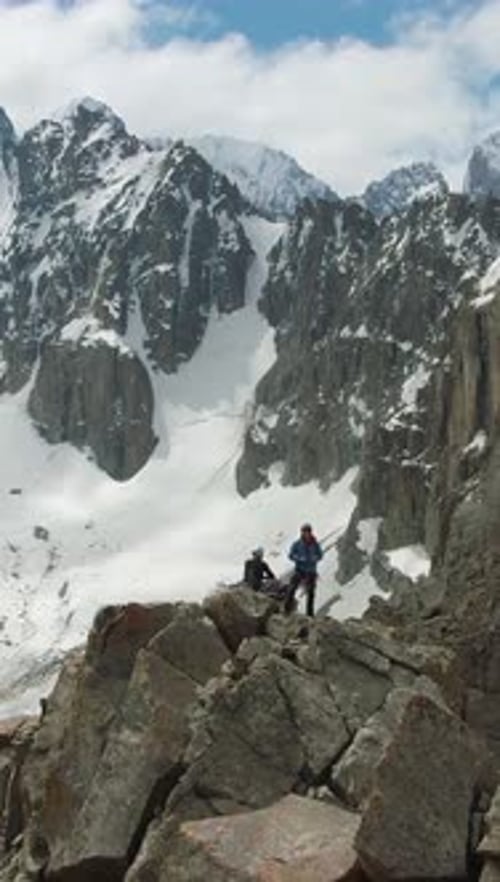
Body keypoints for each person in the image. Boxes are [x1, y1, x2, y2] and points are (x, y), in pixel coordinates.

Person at [285, 524, 323, 616]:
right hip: (300, 569)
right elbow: (290, 555)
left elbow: (320, 555)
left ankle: (310, 614)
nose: (306, 534)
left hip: (311, 571)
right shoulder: (297, 544)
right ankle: (286, 609)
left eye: (307, 532)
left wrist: (315, 558)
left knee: (310, 593)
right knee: (292, 588)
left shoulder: (315, 544)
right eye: (304, 532)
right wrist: (299, 558)